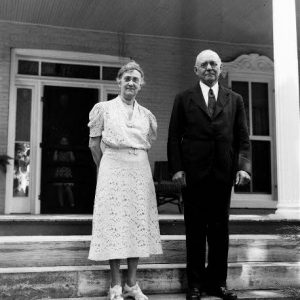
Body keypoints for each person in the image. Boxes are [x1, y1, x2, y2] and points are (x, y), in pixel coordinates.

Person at [167, 50, 251, 300]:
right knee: (194, 231)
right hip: (193, 176)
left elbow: (243, 138)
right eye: (204, 64)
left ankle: (217, 283)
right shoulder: (183, 99)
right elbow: (173, 137)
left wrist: (243, 168)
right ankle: (194, 285)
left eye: (214, 63)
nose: (209, 68)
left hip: (223, 175)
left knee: (219, 231)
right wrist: (177, 168)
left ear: (221, 68)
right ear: (196, 70)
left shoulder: (235, 99)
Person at [88, 61, 162, 300]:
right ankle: (115, 286)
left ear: (141, 85)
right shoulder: (104, 109)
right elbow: (93, 144)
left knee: (136, 223)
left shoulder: (146, 115)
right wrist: (106, 167)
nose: (131, 82)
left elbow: (147, 144)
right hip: (112, 167)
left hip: (139, 170)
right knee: (115, 223)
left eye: (135, 79)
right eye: (127, 78)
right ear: (118, 81)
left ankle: (132, 283)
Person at [53, 136, 75, 208]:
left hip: (67, 170)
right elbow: (55, 159)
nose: (64, 143)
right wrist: (56, 151)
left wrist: (70, 151)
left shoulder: (69, 150)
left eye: (65, 141)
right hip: (59, 170)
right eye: (62, 141)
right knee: (60, 188)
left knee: (68, 187)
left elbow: (73, 160)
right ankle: (61, 205)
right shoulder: (58, 150)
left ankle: (72, 204)